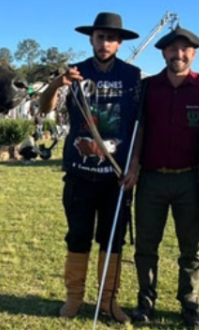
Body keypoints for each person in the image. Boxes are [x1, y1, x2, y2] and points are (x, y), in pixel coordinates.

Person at [38, 12, 141, 322]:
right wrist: (57, 83)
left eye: (111, 38)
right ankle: (74, 298)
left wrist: (135, 163)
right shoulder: (74, 73)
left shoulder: (132, 76)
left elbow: (140, 123)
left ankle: (109, 302)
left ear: (120, 43)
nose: (105, 42)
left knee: (113, 239)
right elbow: (45, 109)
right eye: (100, 37)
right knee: (78, 235)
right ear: (91, 39)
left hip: (117, 176)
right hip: (80, 174)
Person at [122, 27, 199, 328]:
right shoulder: (148, 87)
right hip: (151, 179)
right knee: (145, 245)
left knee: (192, 248)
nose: (178, 55)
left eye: (185, 50)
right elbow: (139, 127)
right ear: (163, 53)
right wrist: (135, 162)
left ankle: (190, 303)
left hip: (191, 180)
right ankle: (145, 300)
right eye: (172, 49)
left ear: (193, 54)